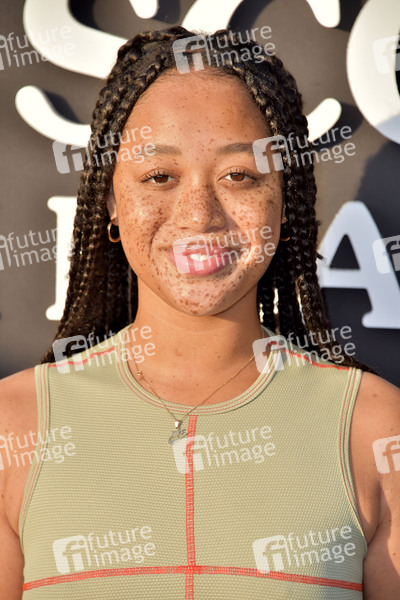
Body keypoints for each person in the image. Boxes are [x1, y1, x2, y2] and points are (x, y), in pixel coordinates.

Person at [0, 26, 399, 600]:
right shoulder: (15, 426)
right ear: (110, 200)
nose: (199, 214)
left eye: (240, 176)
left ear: (285, 200)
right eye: (159, 177)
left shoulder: (377, 430)